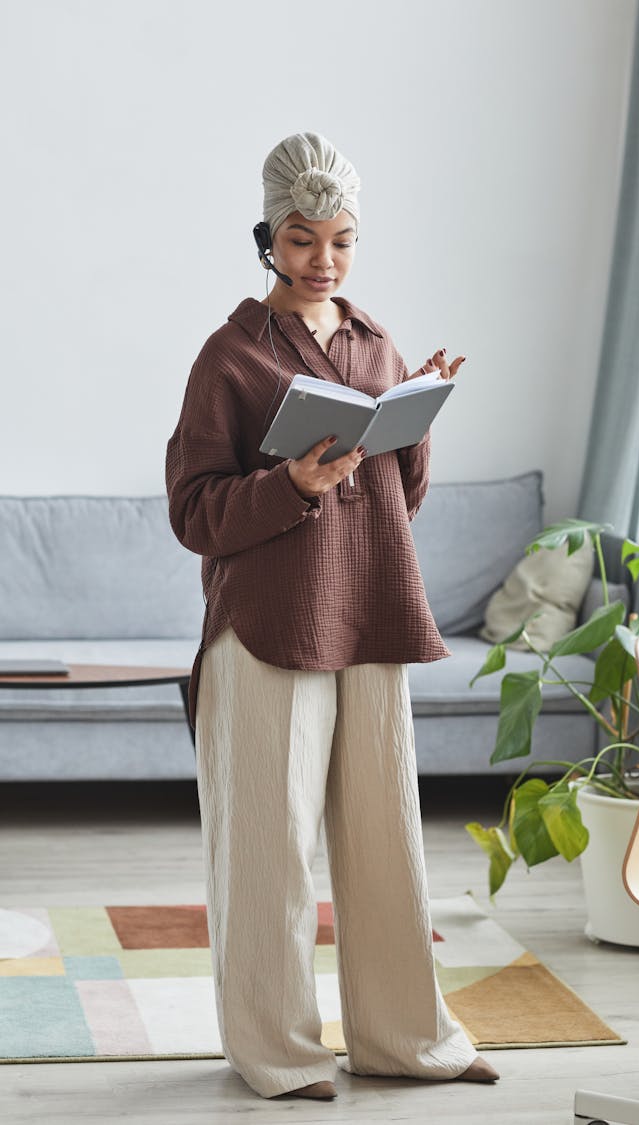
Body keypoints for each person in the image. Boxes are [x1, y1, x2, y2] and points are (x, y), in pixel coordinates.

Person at [164, 131, 499, 1101]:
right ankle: (277, 1051)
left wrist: (416, 410)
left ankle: (407, 1040)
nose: (324, 263)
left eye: (342, 242)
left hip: (373, 612)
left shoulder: (373, 341)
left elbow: (403, 499)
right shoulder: (229, 356)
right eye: (304, 241)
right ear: (267, 236)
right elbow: (195, 515)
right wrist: (293, 485)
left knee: (386, 841)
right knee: (267, 853)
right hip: (267, 625)